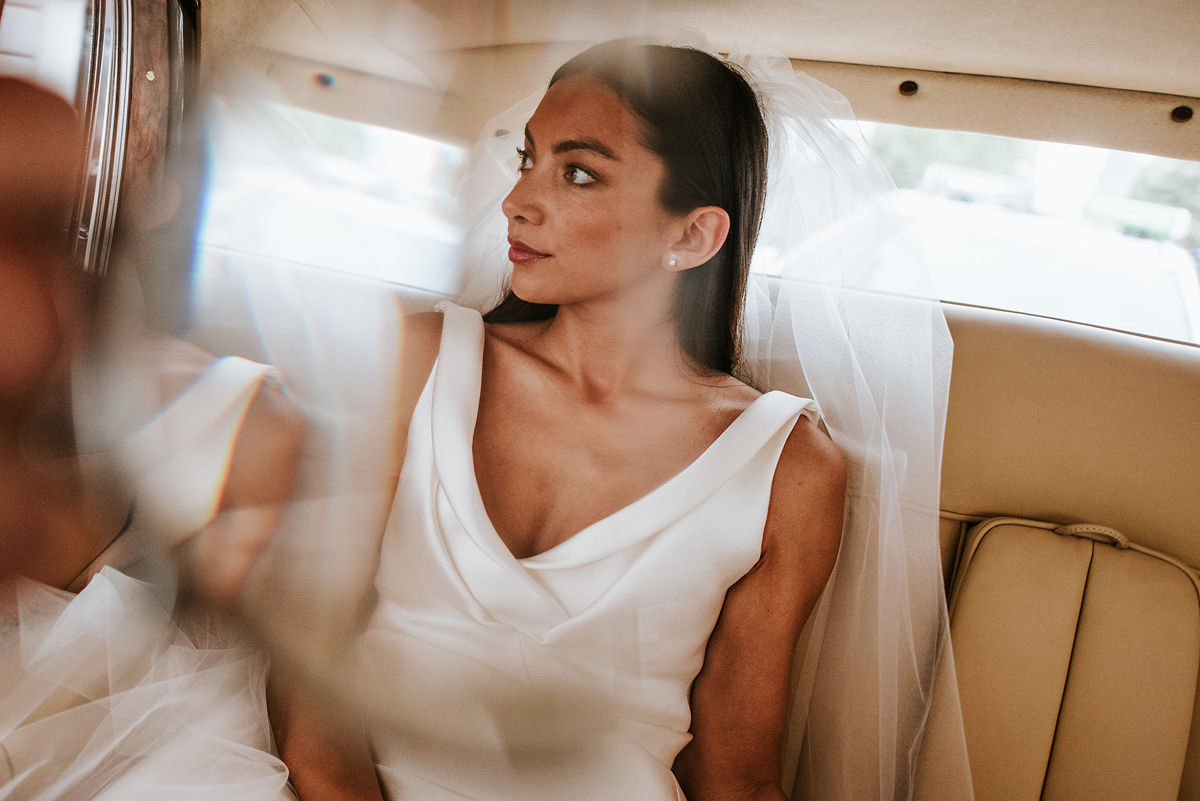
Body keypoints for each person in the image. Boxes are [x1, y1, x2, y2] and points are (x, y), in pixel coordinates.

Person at [273, 40, 847, 801]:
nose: (516, 201)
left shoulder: (788, 468)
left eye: (577, 173)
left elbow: (736, 775)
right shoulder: (416, 361)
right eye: (527, 160)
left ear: (692, 236)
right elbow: (306, 658)